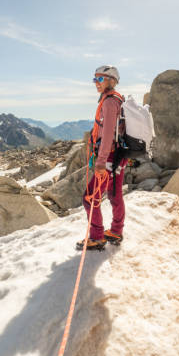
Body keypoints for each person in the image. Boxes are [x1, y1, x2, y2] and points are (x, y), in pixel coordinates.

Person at [76, 65, 128, 251]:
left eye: (100, 79)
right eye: (95, 79)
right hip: (118, 156)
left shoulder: (109, 102)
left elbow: (107, 135)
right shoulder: (117, 99)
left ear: (111, 81)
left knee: (89, 198)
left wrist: (100, 161)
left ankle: (97, 237)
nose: (96, 83)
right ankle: (116, 230)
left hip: (108, 157)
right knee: (114, 194)